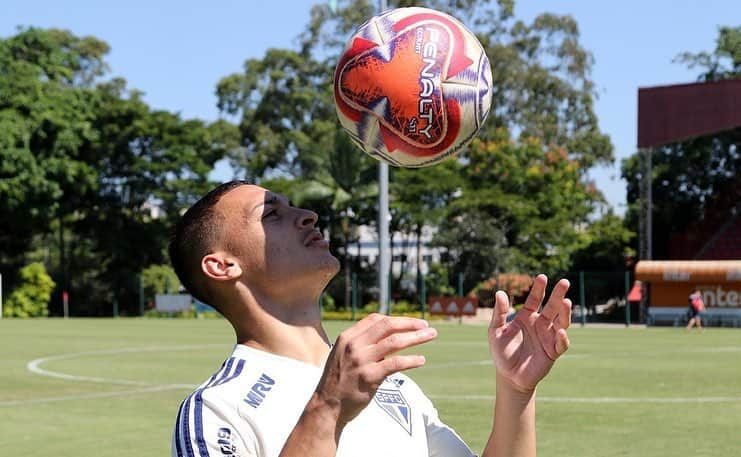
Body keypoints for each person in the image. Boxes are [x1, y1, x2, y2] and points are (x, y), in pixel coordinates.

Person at [168, 180, 573, 457]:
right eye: (271, 214)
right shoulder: (215, 410)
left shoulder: (392, 383)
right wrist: (327, 407)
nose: (307, 215)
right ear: (222, 266)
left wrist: (516, 392)